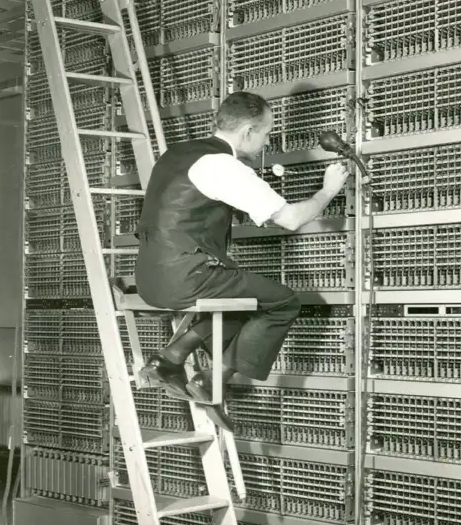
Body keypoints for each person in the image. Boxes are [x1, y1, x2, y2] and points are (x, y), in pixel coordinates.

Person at [134, 90, 350, 432]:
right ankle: (212, 380)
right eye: (265, 133)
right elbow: (291, 219)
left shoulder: (181, 153)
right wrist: (328, 191)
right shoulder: (223, 166)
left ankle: (171, 358)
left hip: (149, 277)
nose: (266, 142)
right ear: (247, 131)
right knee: (281, 302)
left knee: (242, 299)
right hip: (186, 277)